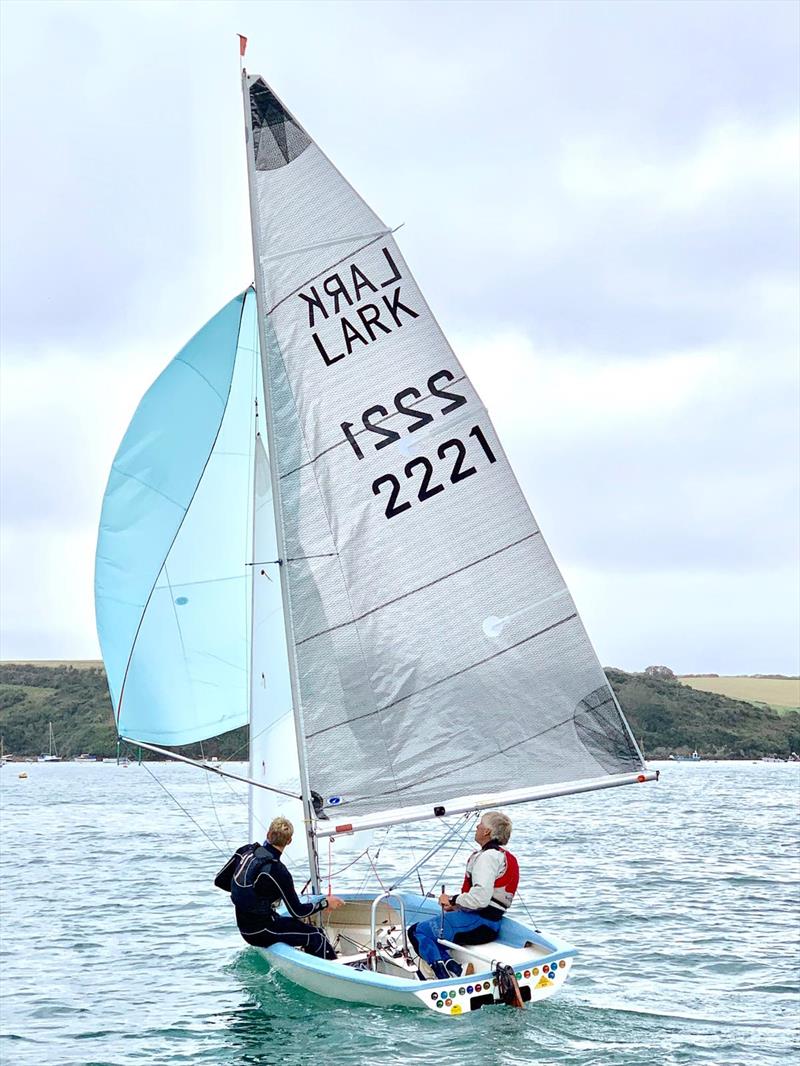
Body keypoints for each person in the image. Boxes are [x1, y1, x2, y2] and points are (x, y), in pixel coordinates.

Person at [408, 809, 518, 980]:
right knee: (433, 935)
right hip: (490, 924)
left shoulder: (488, 857)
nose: (476, 827)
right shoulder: (504, 857)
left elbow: (480, 898)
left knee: (416, 931)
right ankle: (454, 968)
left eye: (480, 825)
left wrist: (451, 899)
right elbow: (486, 898)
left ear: (487, 831)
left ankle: (446, 975)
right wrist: (457, 905)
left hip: (478, 923)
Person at [215, 815, 344, 959]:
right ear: (289, 841)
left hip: (246, 927)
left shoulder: (245, 851)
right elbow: (298, 912)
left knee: (315, 931)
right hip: (261, 931)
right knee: (316, 936)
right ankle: (337, 972)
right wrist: (325, 903)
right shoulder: (278, 871)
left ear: (268, 834)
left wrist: (249, 897)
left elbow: (220, 881)